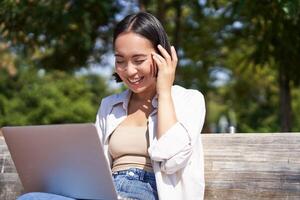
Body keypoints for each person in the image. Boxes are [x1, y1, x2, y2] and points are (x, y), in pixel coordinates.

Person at [17, 12, 206, 200]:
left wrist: (164, 91)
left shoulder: (189, 100)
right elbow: (95, 169)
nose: (129, 71)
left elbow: (171, 159)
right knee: (31, 198)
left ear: (161, 56)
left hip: (148, 194)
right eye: (120, 60)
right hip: (107, 194)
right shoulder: (110, 105)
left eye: (138, 60)